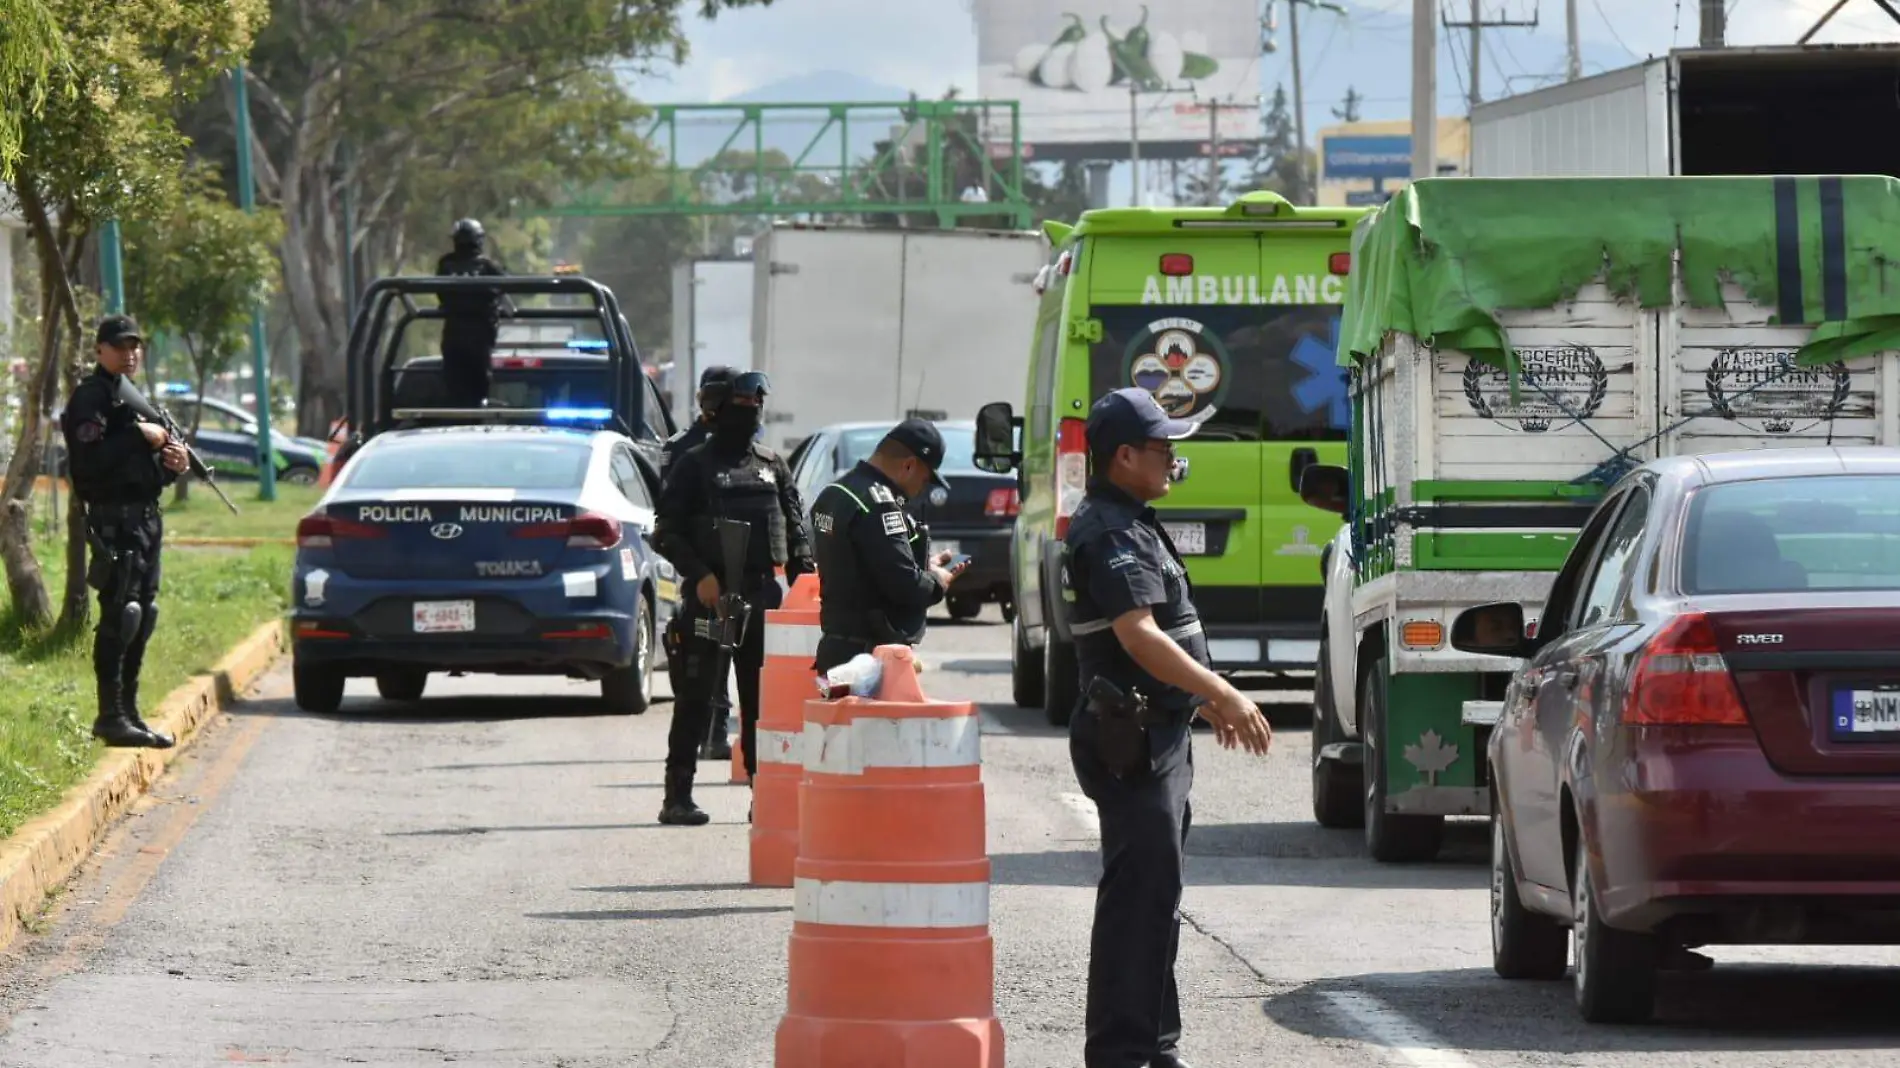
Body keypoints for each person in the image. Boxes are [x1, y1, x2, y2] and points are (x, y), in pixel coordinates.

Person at [1061, 387, 1274, 1068]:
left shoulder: (1132, 518)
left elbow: (1160, 636)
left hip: (1160, 730)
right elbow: (1138, 634)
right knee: (1136, 905)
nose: (1174, 459)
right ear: (1124, 456)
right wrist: (1224, 692)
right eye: (1163, 448)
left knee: (1158, 898)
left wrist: (1196, 701)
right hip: (1132, 740)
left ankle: (1154, 1041)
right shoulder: (1111, 530)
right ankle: (1122, 1053)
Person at [651, 371, 815, 825]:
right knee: (695, 698)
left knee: (761, 704)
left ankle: (765, 797)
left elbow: (796, 528)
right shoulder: (694, 466)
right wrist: (700, 574)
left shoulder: (772, 464)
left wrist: (807, 578)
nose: (751, 414)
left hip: (761, 594)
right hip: (709, 596)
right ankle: (677, 796)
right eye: (742, 405)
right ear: (717, 411)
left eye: (756, 405)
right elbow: (664, 532)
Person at [58, 315, 191, 749]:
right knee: (121, 613)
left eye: (134, 345)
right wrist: (139, 435)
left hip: (146, 518)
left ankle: (129, 711)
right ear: (100, 350)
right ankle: (109, 715)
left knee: (144, 614)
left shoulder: (133, 398)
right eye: (119, 346)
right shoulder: (91, 399)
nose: (129, 352)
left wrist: (171, 466)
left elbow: (144, 472)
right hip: (114, 520)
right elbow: (91, 462)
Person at [806, 418, 963, 674]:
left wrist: (923, 565)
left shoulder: (834, 494)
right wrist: (938, 581)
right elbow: (904, 585)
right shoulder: (879, 504)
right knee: (873, 717)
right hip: (869, 662)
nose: (921, 490)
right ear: (909, 466)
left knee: (832, 714)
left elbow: (861, 562)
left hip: (833, 652)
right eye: (925, 480)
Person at [659, 364, 738, 760]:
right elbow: (669, 517)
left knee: (717, 649)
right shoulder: (686, 449)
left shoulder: (740, 448)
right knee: (710, 650)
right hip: (701, 569)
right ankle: (713, 731)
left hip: (724, 567)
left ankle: (714, 731)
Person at [434, 217, 510, 409]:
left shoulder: (446, 264)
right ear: (479, 240)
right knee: (478, 386)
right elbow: (504, 286)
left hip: (453, 337)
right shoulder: (488, 267)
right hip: (480, 337)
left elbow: (441, 295)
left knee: (455, 385)